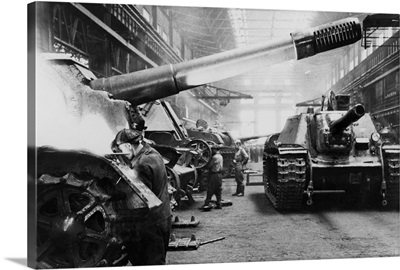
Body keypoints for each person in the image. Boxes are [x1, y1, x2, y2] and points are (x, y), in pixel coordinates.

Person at [112, 128, 171, 265]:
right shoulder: (153, 153)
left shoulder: (142, 164)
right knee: (157, 259)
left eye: (121, 149)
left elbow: (140, 200)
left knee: (150, 262)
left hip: (149, 224)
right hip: (163, 217)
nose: (122, 154)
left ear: (128, 145)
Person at [203, 145, 224, 210]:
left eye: (212, 149)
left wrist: (203, 166)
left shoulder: (214, 157)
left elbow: (209, 166)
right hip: (219, 175)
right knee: (218, 190)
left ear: (215, 149)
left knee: (210, 190)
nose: (211, 151)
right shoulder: (220, 156)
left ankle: (206, 204)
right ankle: (219, 204)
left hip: (214, 175)